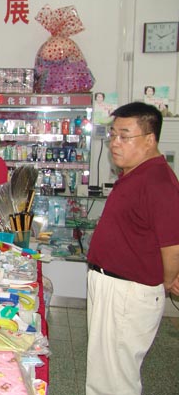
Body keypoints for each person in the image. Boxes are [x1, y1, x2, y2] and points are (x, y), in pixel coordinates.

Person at [85, 101, 179, 395]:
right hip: (113, 286)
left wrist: (166, 282)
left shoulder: (158, 181)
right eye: (112, 135)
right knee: (103, 371)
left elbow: (173, 247)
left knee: (117, 377)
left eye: (124, 136)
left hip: (128, 292)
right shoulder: (135, 174)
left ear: (150, 139)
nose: (115, 143)